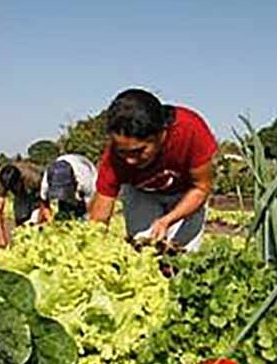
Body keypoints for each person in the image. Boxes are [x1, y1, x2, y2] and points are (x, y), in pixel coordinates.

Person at [87, 88, 217, 252]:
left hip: (187, 194)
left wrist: (167, 220)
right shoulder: (113, 157)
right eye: (122, 151)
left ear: (161, 133)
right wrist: (92, 246)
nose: (129, 160)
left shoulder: (190, 130)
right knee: (144, 248)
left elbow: (201, 188)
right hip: (142, 194)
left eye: (138, 151)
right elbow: (101, 209)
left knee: (182, 257)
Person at [0, 160, 45, 247]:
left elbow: (44, 201)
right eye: (10, 188)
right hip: (20, 197)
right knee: (21, 218)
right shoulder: (1, 182)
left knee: (36, 223)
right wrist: (1, 238)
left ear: (20, 179)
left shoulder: (34, 178)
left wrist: (40, 218)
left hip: (36, 194)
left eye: (15, 186)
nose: (13, 188)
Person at [39, 153, 97, 222]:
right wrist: (50, 221)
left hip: (87, 169)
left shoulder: (85, 178)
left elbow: (91, 206)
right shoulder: (46, 182)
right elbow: (44, 204)